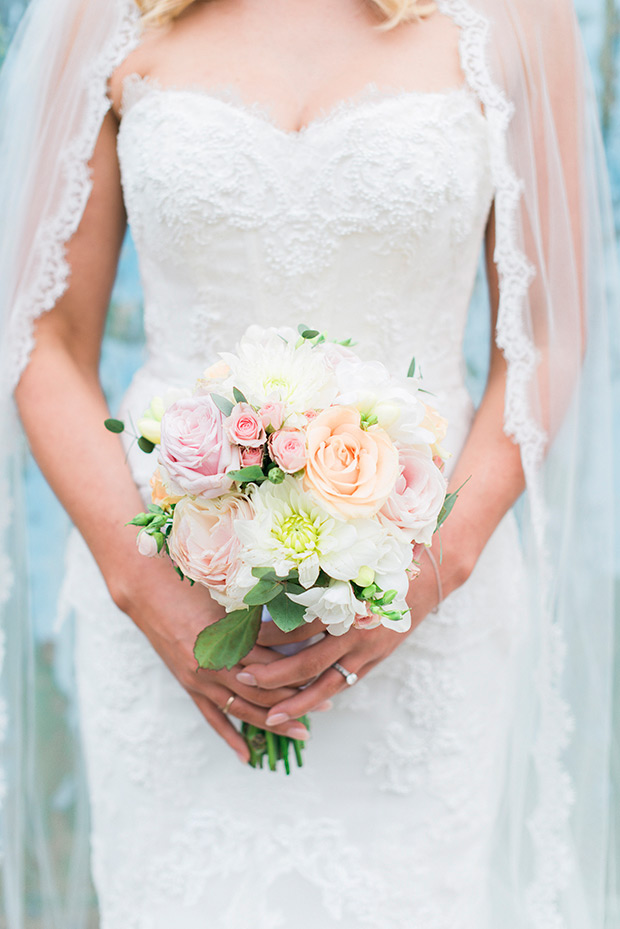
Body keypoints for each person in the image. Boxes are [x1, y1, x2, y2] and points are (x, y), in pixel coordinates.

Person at [0, 0, 617, 926]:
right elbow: (42, 332)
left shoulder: (516, 14)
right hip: (172, 627)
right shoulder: (108, 11)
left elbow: (548, 332)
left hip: (427, 622)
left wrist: (431, 571)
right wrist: (144, 588)